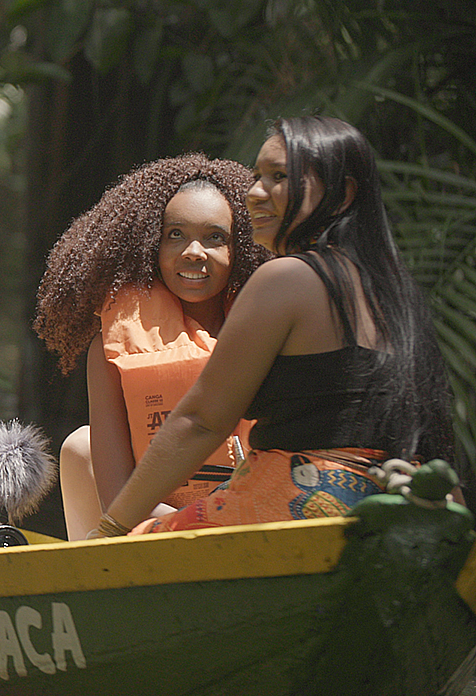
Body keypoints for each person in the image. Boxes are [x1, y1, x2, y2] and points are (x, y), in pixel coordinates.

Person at [95, 116, 463, 537]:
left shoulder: (286, 277)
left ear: (342, 194)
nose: (255, 193)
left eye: (279, 177)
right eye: (257, 177)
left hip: (302, 505)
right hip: (400, 514)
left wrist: (111, 529)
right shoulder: (398, 292)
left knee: (138, 544)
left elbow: (200, 421)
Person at [33, 154, 270, 540]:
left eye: (215, 237)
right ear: (149, 246)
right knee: (79, 445)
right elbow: (118, 500)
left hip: (257, 524)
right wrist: (200, 528)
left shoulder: (268, 332)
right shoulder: (110, 347)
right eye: (175, 235)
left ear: (240, 248)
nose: (194, 252)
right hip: (153, 531)